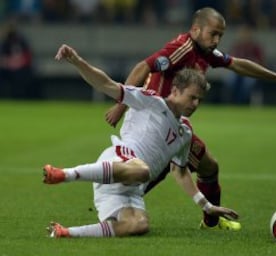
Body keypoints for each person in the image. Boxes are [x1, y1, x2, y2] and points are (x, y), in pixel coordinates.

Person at [105, 7, 276, 231]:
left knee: (205, 167)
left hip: (172, 125)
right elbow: (143, 67)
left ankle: (210, 221)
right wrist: (120, 106)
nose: (216, 40)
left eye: (220, 35)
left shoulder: (205, 53)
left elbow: (239, 64)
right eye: (213, 34)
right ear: (195, 29)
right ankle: (115, 210)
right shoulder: (182, 48)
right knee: (156, 172)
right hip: (154, 123)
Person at [43, 44, 238, 238]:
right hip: (120, 161)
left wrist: (207, 205)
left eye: (200, 100)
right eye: (192, 97)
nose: (195, 104)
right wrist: (77, 61)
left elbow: (180, 172)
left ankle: (65, 233)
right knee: (143, 170)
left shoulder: (185, 132)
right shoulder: (151, 102)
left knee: (139, 225)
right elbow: (106, 84)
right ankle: (64, 174)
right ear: (176, 90)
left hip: (130, 190)